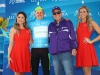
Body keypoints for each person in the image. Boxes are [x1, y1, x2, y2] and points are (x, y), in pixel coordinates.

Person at [48, 6, 77, 75]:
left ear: (61, 13)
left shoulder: (68, 22)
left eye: (58, 12)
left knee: (69, 73)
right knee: (57, 73)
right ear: (52, 15)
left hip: (66, 52)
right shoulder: (50, 25)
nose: (56, 14)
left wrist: (74, 48)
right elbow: (49, 39)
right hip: (55, 54)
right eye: (54, 13)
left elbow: (72, 36)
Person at [76, 6, 100, 75]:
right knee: (84, 71)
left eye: (84, 12)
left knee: (87, 73)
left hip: (87, 49)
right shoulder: (78, 25)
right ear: (79, 14)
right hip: (80, 49)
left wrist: (92, 41)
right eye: (81, 12)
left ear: (87, 13)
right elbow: (77, 38)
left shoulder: (92, 23)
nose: (82, 13)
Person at [29, 6, 50, 75]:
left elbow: (58, 24)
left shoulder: (49, 23)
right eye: (37, 13)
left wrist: (65, 20)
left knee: (46, 71)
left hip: (45, 50)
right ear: (35, 14)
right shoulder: (30, 24)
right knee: (34, 71)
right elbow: (22, 30)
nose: (39, 14)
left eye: (41, 12)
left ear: (44, 14)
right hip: (34, 49)